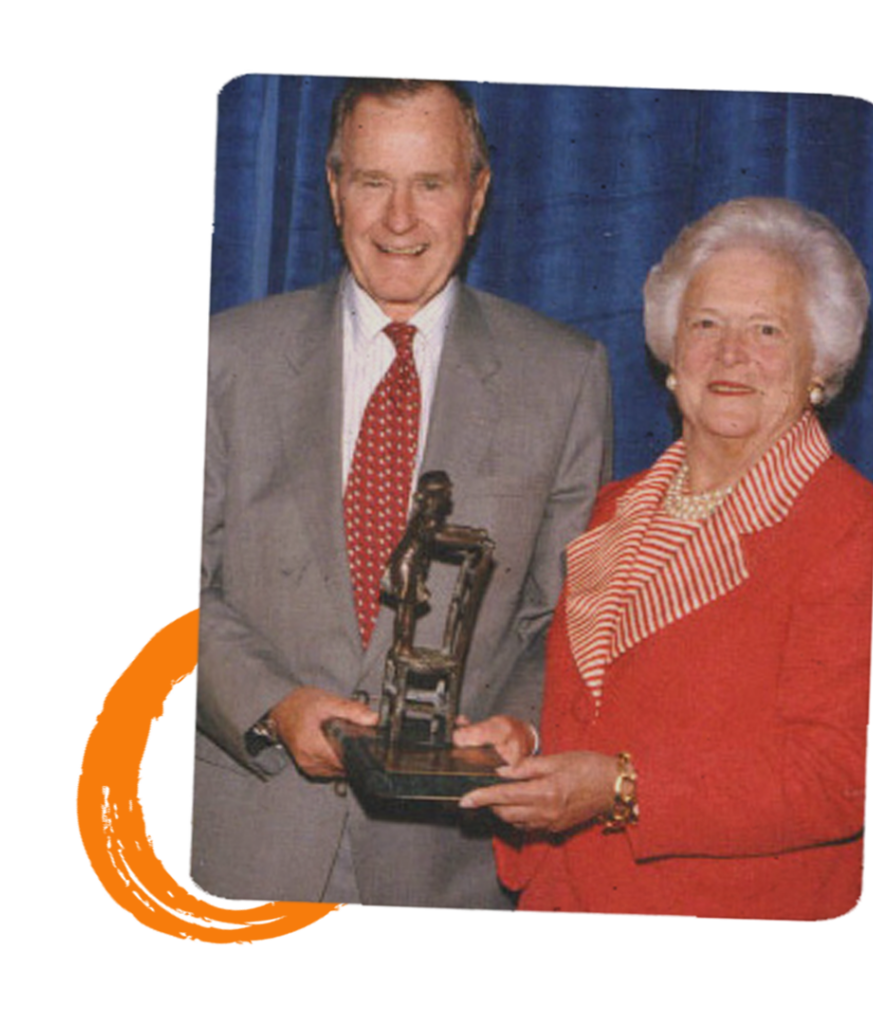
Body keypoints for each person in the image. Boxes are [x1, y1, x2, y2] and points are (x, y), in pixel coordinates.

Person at [190, 76, 612, 912]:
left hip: (447, 868)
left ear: (478, 194)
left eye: (431, 183)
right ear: (334, 187)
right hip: (235, 853)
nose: (399, 220)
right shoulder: (227, 359)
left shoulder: (563, 376)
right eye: (374, 181)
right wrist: (273, 705)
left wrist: (524, 728)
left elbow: (566, 615)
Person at [461, 197, 873, 921]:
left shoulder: (852, 529)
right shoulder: (615, 507)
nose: (730, 353)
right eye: (706, 323)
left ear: (822, 363)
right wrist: (525, 739)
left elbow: (836, 778)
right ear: (671, 351)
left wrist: (623, 788)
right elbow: (596, 703)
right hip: (564, 896)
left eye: (768, 330)